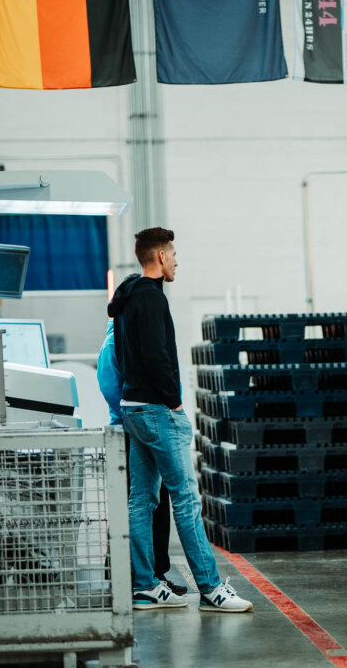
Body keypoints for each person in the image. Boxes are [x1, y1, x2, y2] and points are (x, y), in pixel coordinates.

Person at [107, 227, 252, 613]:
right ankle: (210, 588)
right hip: (157, 410)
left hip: (133, 407)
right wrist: (173, 402)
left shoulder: (126, 298)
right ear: (157, 257)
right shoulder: (152, 299)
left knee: (141, 500)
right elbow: (157, 357)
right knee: (186, 500)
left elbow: (121, 358)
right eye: (172, 254)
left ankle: (144, 586)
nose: (176, 261)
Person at [96, 314, 187, 596]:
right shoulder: (116, 343)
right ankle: (130, 577)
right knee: (136, 505)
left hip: (144, 427)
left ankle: (153, 573)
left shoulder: (128, 339)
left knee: (155, 506)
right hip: (130, 430)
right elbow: (112, 389)